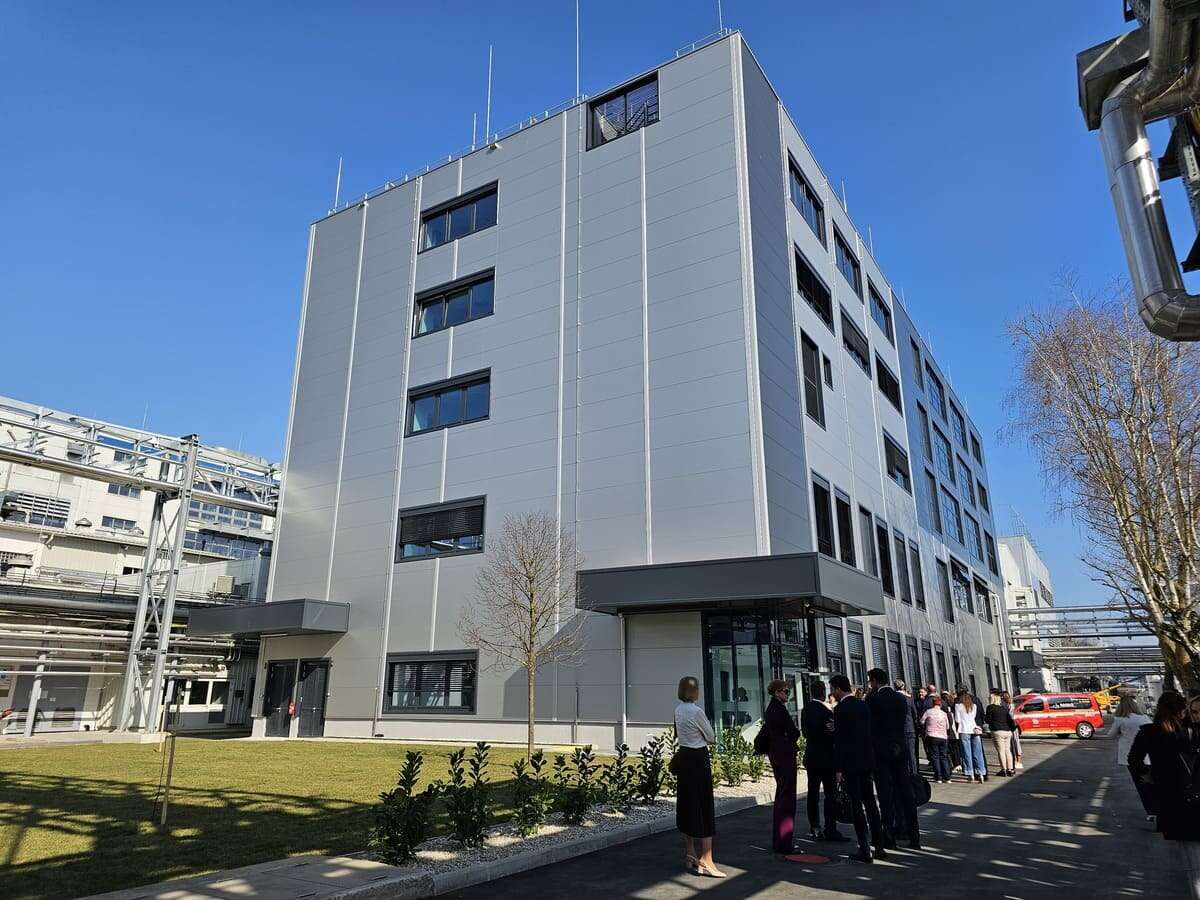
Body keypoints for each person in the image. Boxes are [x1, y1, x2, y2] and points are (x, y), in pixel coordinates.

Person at [1128, 692, 1200, 850]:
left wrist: (1148, 776)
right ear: (1182, 711)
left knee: (1180, 845)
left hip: (1166, 794)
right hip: (1191, 793)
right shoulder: (1189, 731)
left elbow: (1133, 760)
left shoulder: (1148, 732)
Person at [831, 673, 888, 864]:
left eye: (833, 690)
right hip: (866, 760)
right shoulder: (863, 705)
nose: (832, 694)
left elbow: (840, 741)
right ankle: (879, 846)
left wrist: (839, 768)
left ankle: (864, 848)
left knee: (857, 806)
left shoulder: (841, 709)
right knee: (871, 803)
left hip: (851, 763)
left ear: (838, 688)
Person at [674, 676, 724, 878]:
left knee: (687, 804)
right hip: (698, 758)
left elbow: (678, 734)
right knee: (704, 806)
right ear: (695, 691)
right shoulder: (697, 711)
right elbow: (711, 737)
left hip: (684, 756)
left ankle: (690, 852)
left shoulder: (678, 710)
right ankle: (707, 858)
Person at [867, 670, 921, 849]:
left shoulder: (874, 699)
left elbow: (871, 724)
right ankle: (914, 835)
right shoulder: (900, 698)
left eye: (871, 681)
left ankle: (889, 836)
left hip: (881, 750)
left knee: (885, 794)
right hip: (900, 747)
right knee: (905, 792)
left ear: (875, 681)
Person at [801, 679, 847, 842]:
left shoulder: (805, 710)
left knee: (812, 793)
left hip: (812, 756)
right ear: (823, 693)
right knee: (830, 794)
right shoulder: (826, 712)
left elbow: (805, 733)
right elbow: (832, 733)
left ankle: (815, 826)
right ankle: (830, 828)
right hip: (827, 757)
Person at [764, 679, 800, 854]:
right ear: (777, 692)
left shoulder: (771, 709)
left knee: (782, 796)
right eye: (786, 691)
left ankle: (779, 841)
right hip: (784, 754)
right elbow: (792, 731)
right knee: (787, 798)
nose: (788, 694)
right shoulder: (779, 709)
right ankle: (785, 842)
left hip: (777, 754)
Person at [1110, 695, 1153, 819]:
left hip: (1129, 756)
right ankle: (1158, 808)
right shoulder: (1144, 717)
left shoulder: (1120, 719)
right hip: (1147, 755)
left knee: (1140, 784)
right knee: (1151, 782)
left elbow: (1111, 735)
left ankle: (1150, 811)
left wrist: (1122, 733)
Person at [955, 689, 987, 783]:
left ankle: (970, 774)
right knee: (978, 753)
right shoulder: (974, 706)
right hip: (974, 729)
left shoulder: (958, 706)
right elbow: (974, 717)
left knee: (967, 753)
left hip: (964, 730)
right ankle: (981, 773)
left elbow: (957, 720)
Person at [921, 696, 953, 783]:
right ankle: (947, 777)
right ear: (940, 704)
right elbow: (948, 726)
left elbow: (922, 721)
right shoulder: (944, 714)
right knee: (944, 756)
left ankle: (938, 777)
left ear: (933, 704)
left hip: (932, 736)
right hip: (943, 737)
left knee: (935, 757)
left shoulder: (928, 712)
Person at [894, 679, 921, 774]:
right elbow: (915, 714)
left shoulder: (893, 699)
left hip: (898, 729)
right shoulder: (909, 699)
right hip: (910, 728)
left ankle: (903, 772)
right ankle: (914, 772)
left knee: (900, 752)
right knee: (911, 752)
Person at [942, 690, 963, 773]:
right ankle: (959, 764)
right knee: (957, 748)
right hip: (957, 731)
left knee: (953, 749)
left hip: (951, 731)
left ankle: (956, 764)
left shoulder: (947, 709)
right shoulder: (954, 707)